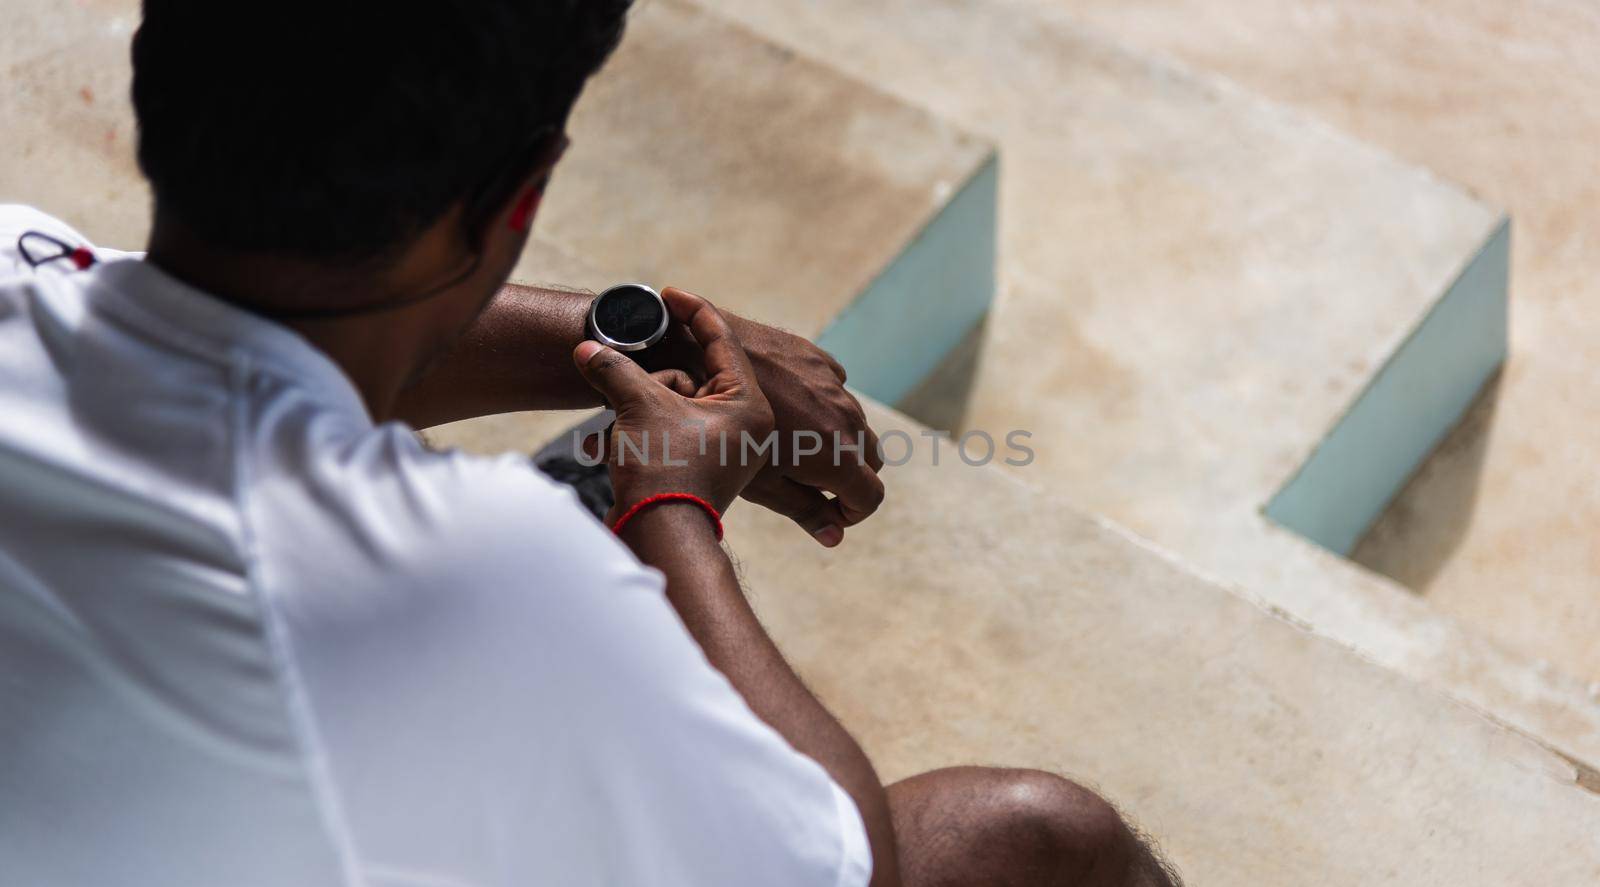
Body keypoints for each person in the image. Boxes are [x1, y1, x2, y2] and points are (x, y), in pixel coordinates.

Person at [0, 2, 1180, 885]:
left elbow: (221, 334)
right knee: (1036, 840)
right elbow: (835, 855)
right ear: (523, 196)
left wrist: (639, 335)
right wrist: (669, 507)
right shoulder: (478, 570)